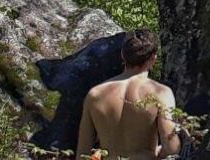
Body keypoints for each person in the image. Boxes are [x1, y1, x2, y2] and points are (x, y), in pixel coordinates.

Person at [77, 29, 181, 160]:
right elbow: (172, 148)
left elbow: (82, 153)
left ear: (122, 55)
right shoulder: (160, 93)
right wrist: (155, 153)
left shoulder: (95, 94)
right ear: (153, 58)